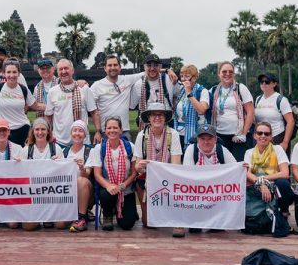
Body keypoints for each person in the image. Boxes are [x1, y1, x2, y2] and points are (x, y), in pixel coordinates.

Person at [133, 103, 182, 232]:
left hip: (167, 179)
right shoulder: (142, 135)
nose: (157, 118)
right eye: (154, 115)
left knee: (166, 220)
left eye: (160, 114)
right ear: (148, 118)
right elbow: (137, 167)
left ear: (165, 118)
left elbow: (176, 166)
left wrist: (160, 174)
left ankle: (174, 214)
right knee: (148, 223)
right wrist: (141, 166)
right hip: (146, 179)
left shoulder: (174, 134)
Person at [89, 117, 138, 231]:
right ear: (105, 131)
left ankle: (126, 209)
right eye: (109, 128)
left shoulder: (130, 146)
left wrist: (122, 186)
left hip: (125, 188)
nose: (112, 130)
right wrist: (108, 186)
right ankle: (108, 214)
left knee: (127, 225)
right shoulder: (99, 148)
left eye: (115, 128)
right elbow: (97, 174)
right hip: (108, 188)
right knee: (107, 194)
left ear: (121, 130)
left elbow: (134, 173)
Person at [0, 60, 44, 146]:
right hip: (4, 130)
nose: (11, 75)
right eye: (8, 72)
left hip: (23, 129)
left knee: (22, 157)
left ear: (19, 74)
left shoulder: (24, 89)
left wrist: (55, 106)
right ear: (4, 74)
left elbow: (36, 106)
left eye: (14, 72)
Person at [44, 59, 99, 148]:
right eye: (60, 69)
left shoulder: (84, 89)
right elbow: (48, 116)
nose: (63, 71)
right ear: (57, 72)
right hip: (59, 142)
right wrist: (48, 134)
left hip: (82, 140)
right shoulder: (52, 92)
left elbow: (94, 112)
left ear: (72, 70)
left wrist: (97, 131)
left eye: (66, 68)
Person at [243, 121, 294, 218]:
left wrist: (263, 179)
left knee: (283, 183)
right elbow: (247, 173)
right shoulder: (249, 152)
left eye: (266, 134)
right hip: (258, 187)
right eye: (259, 133)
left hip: (275, 186)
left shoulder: (278, 149)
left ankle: (283, 210)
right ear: (254, 135)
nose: (263, 136)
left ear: (271, 137)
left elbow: (285, 173)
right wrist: (261, 183)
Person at [206, 61, 255, 161]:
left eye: (230, 72)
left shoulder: (240, 88)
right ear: (219, 74)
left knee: (238, 165)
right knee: (222, 166)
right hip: (219, 135)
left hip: (238, 136)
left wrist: (243, 134)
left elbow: (250, 112)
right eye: (224, 72)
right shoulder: (213, 90)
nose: (227, 74)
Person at [90, 55, 142, 142]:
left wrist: (167, 70)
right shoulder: (97, 85)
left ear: (120, 67)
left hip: (124, 131)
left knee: (127, 155)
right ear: (105, 68)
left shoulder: (127, 80)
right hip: (105, 132)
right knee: (105, 155)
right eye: (110, 65)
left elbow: (147, 73)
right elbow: (91, 108)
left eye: (115, 65)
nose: (112, 67)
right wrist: (97, 131)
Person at [253, 72, 295, 156]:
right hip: (262, 138)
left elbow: (291, 121)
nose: (264, 83)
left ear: (274, 84)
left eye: (267, 81)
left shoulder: (281, 100)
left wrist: (285, 142)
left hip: (277, 138)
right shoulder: (258, 99)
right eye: (261, 81)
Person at [65, 120, 95, 233]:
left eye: (81, 131)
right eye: (75, 130)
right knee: (60, 224)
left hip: (86, 191)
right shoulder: (64, 151)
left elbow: (87, 174)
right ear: (71, 133)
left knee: (81, 180)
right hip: (68, 193)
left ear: (85, 135)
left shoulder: (90, 151)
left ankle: (82, 217)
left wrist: (82, 168)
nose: (77, 133)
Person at [131, 54, 175, 131]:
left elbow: (181, 93)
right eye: (149, 65)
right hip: (146, 126)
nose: (152, 68)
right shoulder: (138, 84)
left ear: (160, 66)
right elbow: (132, 104)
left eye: (155, 65)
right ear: (144, 67)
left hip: (167, 125)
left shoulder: (169, 79)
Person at [173, 64, 209, 150]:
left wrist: (189, 93)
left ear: (195, 77)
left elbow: (201, 110)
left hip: (195, 134)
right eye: (181, 76)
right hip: (179, 133)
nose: (183, 79)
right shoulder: (181, 91)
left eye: (187, 76)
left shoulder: (202, 91)